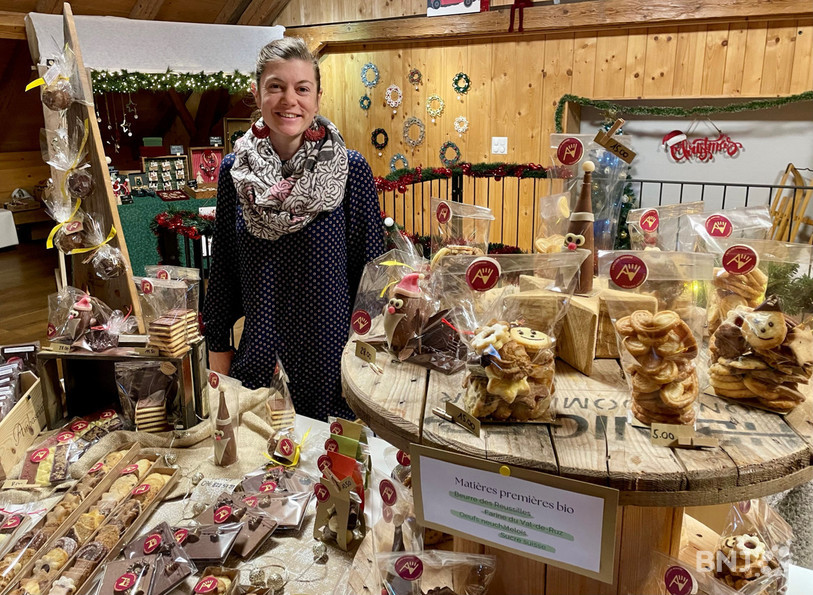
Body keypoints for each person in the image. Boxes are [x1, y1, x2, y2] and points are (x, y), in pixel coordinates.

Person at [202, 37, 384, 420]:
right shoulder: (234, 173)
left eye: (302, 88)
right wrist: (218, 356)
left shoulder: (350, 171)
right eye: (276, 86)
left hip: (333, 370)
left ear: (317, 98)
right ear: (257, 94)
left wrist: (371, 364)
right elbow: (223, 273)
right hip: (260, 370)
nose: (290, 100)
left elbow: (373, 281)